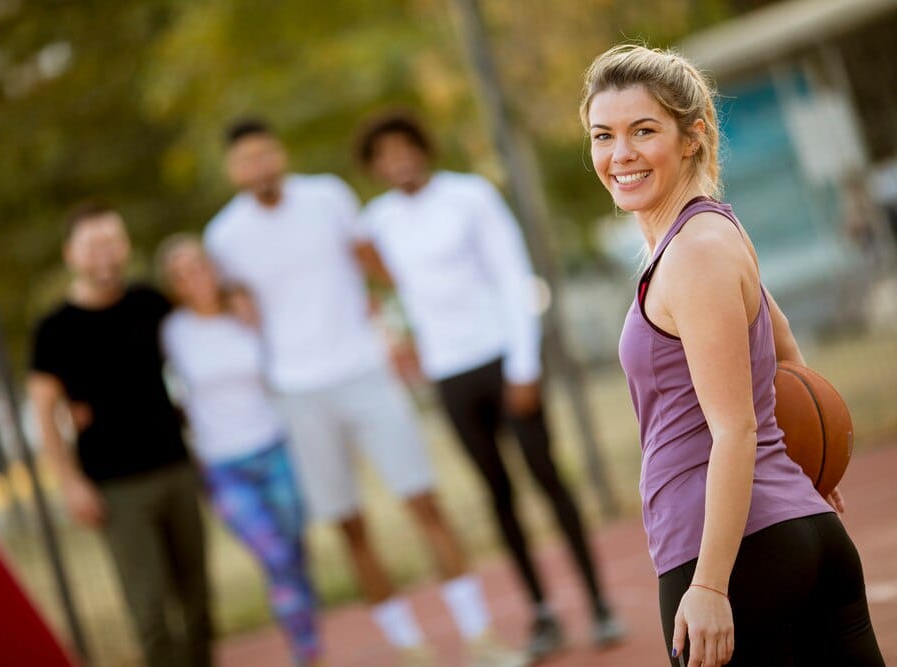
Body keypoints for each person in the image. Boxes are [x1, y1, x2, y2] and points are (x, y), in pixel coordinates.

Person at [581, 44, 885, 667]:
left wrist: (712, 584)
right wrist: (809, 476)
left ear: (692, 137)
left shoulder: (692, 254)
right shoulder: (716, 230)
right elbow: (788, 354)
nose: (620, 155)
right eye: (602, 135)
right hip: (804, 537)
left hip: (733, 554)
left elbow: (736, 426)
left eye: (644, 131)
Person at [203, 119, 526, 667]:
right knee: (350, 525)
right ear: (233, 170)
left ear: (279, 153)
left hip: (365, 372)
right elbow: (231, 308)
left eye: (265, 153)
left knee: (425, 502)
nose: (258, 166)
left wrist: (402, 325)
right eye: (246, 160)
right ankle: (410, 649)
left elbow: (377, 266)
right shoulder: (223, 237)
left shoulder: (328, 196)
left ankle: (480, 638)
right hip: (297, 392)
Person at [355, 112, 625, 659]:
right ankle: (543, 613)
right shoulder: (377, 220)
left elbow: (512, 274)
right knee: (497, 494)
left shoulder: (469, 195)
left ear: (422, 148)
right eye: (385, 154)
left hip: (503, 360)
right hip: (448, 375)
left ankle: (598, 604)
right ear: (376, 166)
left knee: (547, 479)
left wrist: (525, 366)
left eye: (405, 147)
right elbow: (370, 271)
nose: (398, 160)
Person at [28, 201, 212, 667]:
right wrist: (70, 482)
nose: (106, 254)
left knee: (198, 598)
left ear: (125, 244)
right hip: (116, 486)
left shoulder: (150, 303)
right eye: (93, 246)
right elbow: (45, 413)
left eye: (113, 241)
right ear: (72, 254)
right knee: (149, 610)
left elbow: (198, 350)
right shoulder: (54, 330)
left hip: (175, 465)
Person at [157, 234, 323, 667]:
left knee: (296, 555)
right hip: (222, 464)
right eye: (183, 273)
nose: (196, 277)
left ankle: (308, 645)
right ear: (175, 284)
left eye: (200, 265)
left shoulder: (246, 315)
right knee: (276, 556)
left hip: (275, 448)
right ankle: (305, 656)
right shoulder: (173, 333)